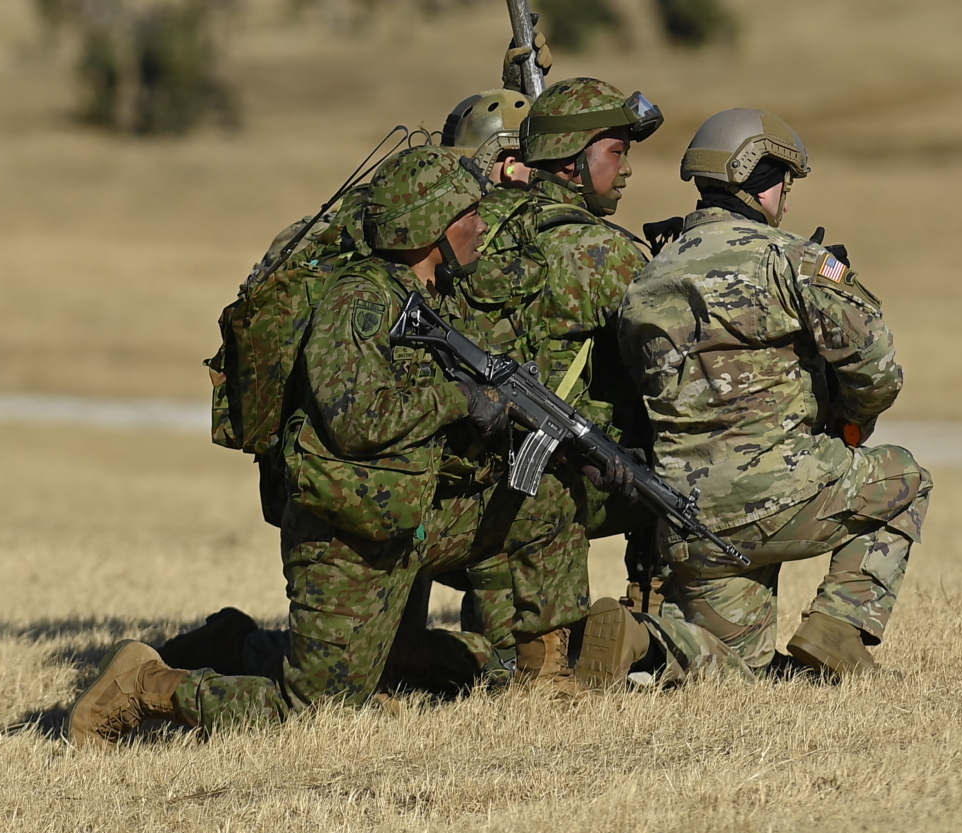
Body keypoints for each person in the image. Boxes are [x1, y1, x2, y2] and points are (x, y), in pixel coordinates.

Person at [68, 146, 588, 747]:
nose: (480, 227)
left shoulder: (428, 297)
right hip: (344, 534)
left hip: (409, 517)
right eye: (468, 215)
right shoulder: (358, 303)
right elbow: (356, 420)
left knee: (544, 496)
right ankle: (141, 686)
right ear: (427, 229)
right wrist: (457, 399)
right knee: (316, 712)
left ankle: (542, 681)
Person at [605, 109, 930, 684]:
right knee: (904, 480)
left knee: (737, 671)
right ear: (758, 175)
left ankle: (637, 640)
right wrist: (847, 421)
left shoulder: (650, 275)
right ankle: (838, 629)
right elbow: (877, 367)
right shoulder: (788, 258)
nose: (788, 199)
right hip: (783, 495)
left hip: (685, 517)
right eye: (786, 181)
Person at [449, 78, 666, 654]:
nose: (625, 170)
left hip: (453, 475)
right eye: (616, 151)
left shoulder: (471, 226)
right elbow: (669, 372)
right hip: (552, 482)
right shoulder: (603, 253)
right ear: (571, 162)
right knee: (683, 459)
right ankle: (654, 625)